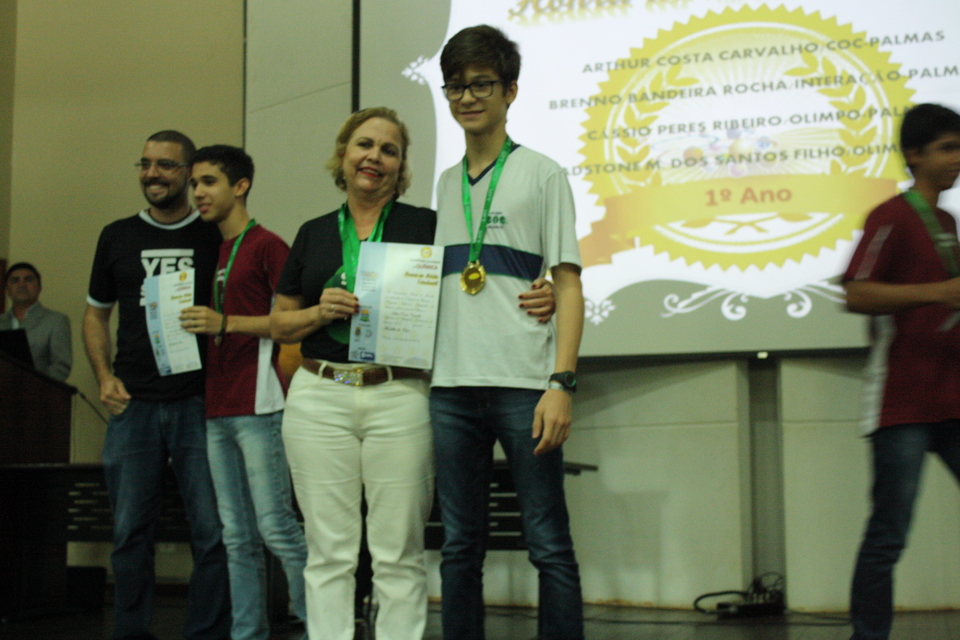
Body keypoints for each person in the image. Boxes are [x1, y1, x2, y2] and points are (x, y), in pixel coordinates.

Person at [270, 106, 554, 640]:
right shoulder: (312, 233)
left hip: (398, 393)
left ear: (401, 169)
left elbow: (482, 269)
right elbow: (280, 324)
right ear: (343, 155)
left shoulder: (428, 224)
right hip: (318, 394)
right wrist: (317, 313)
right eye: (364, 145)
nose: (374, 156)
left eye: (389, 150)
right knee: (328, 550)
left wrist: (543, 289)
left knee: (397, 552)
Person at [429, 25, 586, 640]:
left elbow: (567, 285)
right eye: (456, 86)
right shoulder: (444, 184)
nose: (468, 97)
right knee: (460, 547)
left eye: (482, 84)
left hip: (525, 384)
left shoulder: (542, 173)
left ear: (511, 90)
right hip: (450, 389)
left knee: (548, 544)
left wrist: (561, 383)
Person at [83, 130, 230, 640]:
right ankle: (130, 633)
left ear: (189, 174)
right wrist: (104, 377)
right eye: (145, 164)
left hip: (199, 403)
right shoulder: (116, 235)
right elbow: (95, 315)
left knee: (212, 534)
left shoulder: (215, 234)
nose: (152, 174)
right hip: (133, 405)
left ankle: (205, 633)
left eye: (166, 166)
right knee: (129, 533)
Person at [179, 145, 308, 640]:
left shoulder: (268, 245)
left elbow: (290, 323)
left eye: (208, 182)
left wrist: (226, 322)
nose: (198, 193)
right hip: (217, 406)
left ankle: (320, 623)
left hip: (259, 404)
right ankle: (246, 632)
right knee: (236, 537)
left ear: (240, 186)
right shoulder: (213, 250)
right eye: (195, 184)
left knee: (276, 525)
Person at [844, 103, 960, 640]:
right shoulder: (890, 217)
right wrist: (937, 293)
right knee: (889, 533)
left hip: (953, 397)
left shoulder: (947, 223)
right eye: (948, 148)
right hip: (902, 403)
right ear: (915, 155)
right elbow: (858, 293)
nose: (958, 159)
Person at [0, 262, 72, 380]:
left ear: (39, 287)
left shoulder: (56, 321)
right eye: (15, 280)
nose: (22, 284)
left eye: (28, 279)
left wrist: (31, 382)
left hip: (38, 394)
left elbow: (61, 367)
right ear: (7, 289)